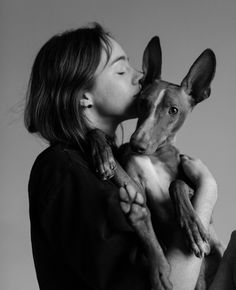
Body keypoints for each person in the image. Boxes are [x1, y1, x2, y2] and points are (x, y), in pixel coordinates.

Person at [25, 23, 236, 290]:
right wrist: (207, 192)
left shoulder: (116, 157)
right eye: (122, 69)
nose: (140, 76)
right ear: (84, 97)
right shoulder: (63, 168)